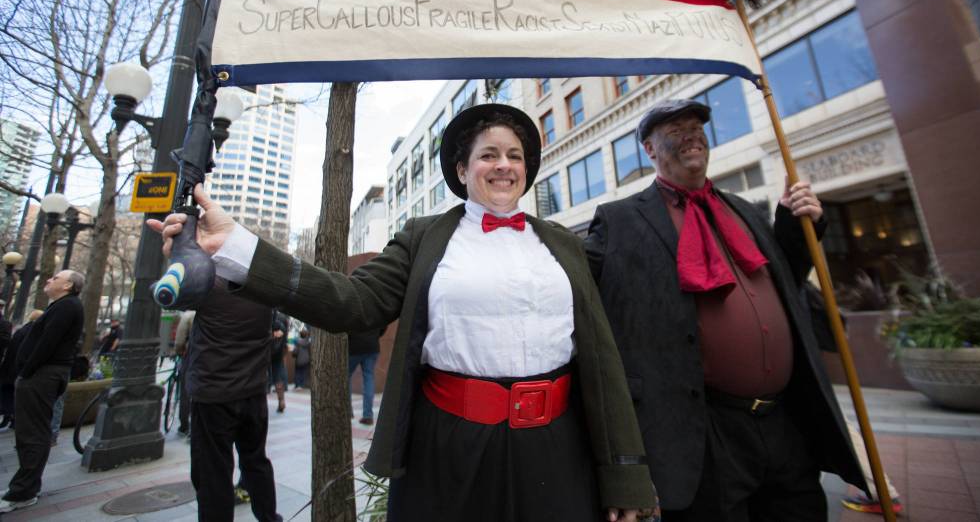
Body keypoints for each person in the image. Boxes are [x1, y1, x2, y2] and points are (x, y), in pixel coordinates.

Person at [150, 103, 655, 522]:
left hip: (558, 448)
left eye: (515, 156)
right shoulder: (425, 237)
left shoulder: (564, 245)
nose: (504, 165)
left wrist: (626, 475)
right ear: (462, 170)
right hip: (451, 448)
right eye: (489, 155)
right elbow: (351, 302)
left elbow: (603, 363)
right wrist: (239, 246)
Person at [585, 99, 866, 521]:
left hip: (783, 421)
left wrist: (795, 223)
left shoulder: (744, 210)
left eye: (697, 127)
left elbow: (784, 281)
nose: (692, 135)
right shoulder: (619, 220)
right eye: (676, 130)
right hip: (704, 431)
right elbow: (582, 293)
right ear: (649, 150)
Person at [185, 278, 282, 521]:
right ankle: (269, 517)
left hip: (213, 395)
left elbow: (165, 293)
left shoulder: (206, 286)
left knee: (213, 472)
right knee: (255, 461)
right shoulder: (264, 292)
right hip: (253, 393)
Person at [0, 270, 84, 514]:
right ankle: (23, 487)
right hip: (40, 375)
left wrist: (26, 371)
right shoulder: (62, 306)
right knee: (31, 432)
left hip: (42, 376)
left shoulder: (67, 307)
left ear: (67, 285)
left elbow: (47, 342)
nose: (49, 280)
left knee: (33, 433)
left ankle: (23, 491)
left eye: (55, 278)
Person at [0, 310, 43, 431]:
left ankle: (8, 417)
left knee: (9, 394)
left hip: (10, 369)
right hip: (19, 369)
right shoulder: (35, 333)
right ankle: (13, 418)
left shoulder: (21, 331)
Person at [174, 310, 195, 436]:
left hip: (191, 355)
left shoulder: (188, 315)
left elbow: (180, 340)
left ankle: (184, 425)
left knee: (185, 391)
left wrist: (179, 350)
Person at [269, 311, 288, 413]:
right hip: (279, 351)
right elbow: (285, 334)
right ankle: (281, 401)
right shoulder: (283, 319)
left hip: (266, 351)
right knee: (278, 376)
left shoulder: (268, 315)